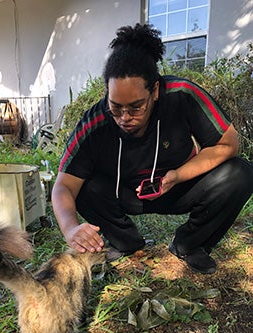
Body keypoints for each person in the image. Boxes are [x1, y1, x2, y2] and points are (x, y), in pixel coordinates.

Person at [52, 23, 253, 275]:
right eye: (116, 107)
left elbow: (228, 143)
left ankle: (189, 244)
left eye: (136, 107)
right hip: (123, 194)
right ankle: (126, 242)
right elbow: (62, 186)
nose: (125, 117)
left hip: (177, 186)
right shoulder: (94, 122)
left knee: (241, 173)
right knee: (83, 187)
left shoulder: (182, 95)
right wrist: (70, 228)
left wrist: (178, 176)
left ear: (155, 90)